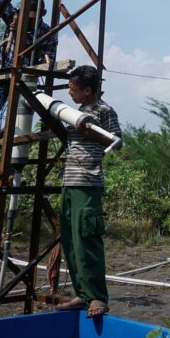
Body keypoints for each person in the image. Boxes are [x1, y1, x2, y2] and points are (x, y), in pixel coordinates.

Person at [56, 65, 121, 318]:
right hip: (70, 182)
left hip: (88, 181)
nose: (70, 92)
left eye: (73, 89)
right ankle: (82, 293)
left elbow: (117, 140)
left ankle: (97, 298)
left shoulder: (103, 110)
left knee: (87, 239)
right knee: (71, 241)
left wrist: (91, 130)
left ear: (88, 90)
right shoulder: (77, 111)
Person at [0, 0, 58, 132]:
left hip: (24, 82)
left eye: (33, 18)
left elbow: (48, 60)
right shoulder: (13, 17)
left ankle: (2, 146)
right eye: (26, 16)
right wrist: (16, 14)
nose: (29, 21)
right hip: (0, 76)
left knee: (18, 121)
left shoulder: (47, 33)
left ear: (43, 13)